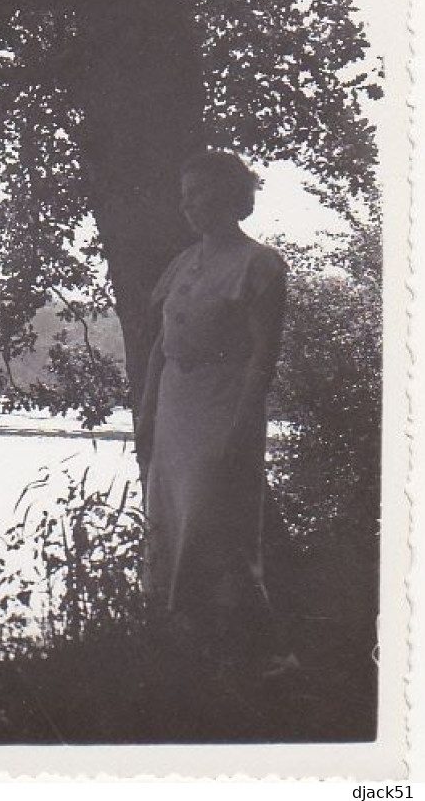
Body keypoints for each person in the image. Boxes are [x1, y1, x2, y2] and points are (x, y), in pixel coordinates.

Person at [136, 149, 299, 679]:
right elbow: (163, 341)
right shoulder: (184, 262)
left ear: (232, 197)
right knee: (174, 517)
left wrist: (242, 422)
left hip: (224, 402)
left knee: (214, 522)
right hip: (176, 403)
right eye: (184, 195)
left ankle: (266, 653)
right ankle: (191, 641)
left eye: (199, 193)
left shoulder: (260, 264)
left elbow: (263, 354)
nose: (187, 204)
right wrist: (145, 409)